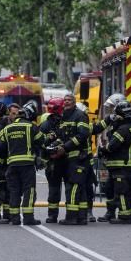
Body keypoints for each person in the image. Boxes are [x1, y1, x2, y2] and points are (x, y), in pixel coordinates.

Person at [0, 100, 44, 226]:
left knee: (14, 192)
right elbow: (41, 141)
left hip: (12, 166)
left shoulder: (7, 128)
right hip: (27, 166)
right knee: (29, 191)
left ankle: (15, 218)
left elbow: (1, 146)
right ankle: (28, 218)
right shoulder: (31, 127)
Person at [100, 100, 131, 224]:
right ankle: (130, 214)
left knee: (121, 192)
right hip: (130, 166)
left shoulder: (122, 130)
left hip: (121, 166)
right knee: (127, 192)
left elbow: (112, 146)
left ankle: (125, 216)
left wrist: (102, 150)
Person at [57, 93, 91, 225]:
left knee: (73, 187)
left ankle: (71, 217)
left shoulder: (80, 115)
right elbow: (63, 135)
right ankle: (82, 217)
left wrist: (65, 147)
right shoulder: (64, 117)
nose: (66, 102)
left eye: (69, 100)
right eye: (65, 100)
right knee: (79, 186)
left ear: (74, 102)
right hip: (70, 158)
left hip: (79, 157)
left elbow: (83, 134)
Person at [39, 98, 66, 223]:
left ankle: (54, 215)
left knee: (57, 188)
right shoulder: (46, 125)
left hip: (63, 160)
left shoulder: (46, 124)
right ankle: (53, 215)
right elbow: (40, 143)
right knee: (55, 188)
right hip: (56, 161)